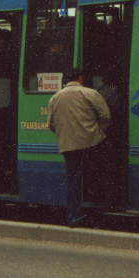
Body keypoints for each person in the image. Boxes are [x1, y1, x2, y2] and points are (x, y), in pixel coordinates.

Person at [47, 67, 111, 228]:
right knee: (97, 177)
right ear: (81, 78)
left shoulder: (55, 98)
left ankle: (73, 218)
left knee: (73, 182)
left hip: (68, 146)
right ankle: (99, 215)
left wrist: (66, 136)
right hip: (92, 143)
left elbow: (51, 124)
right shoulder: (90, 93)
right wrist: (97, 130)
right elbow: (105, 116)